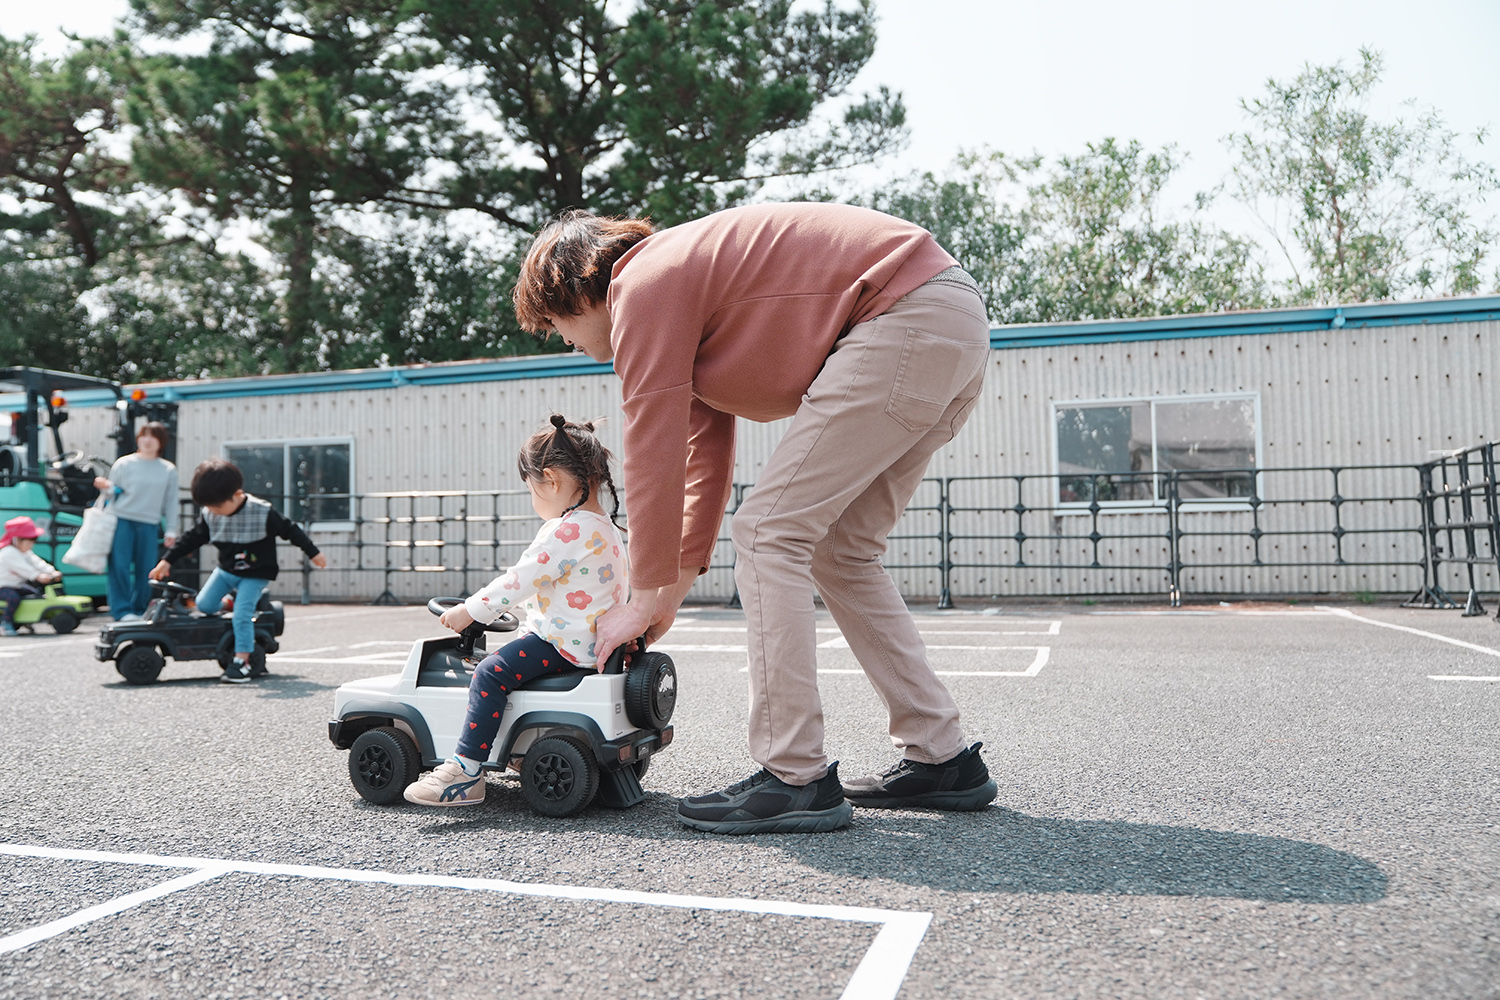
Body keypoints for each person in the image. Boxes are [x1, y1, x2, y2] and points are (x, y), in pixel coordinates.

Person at [513, 202, 999, 835]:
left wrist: (636, 598)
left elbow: (650, 447)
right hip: (948, 319)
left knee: (769, 532)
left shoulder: (641, 286)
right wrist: (667, 597)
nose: (572, 347)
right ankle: (943, 757)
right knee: (841, 551)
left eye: (559, 326)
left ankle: (795, 777)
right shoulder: (686, 289)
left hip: (901, 315)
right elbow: (701, 456)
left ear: (579, 289)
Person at [403, 415, 629, 807]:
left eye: (531, 489)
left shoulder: (566, 530)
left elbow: (519, 580)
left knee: (491, 673)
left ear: (552, 480)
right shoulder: (606, 527)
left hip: (561, 645)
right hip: (591, 646)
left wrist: (470, 611)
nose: (533, 499)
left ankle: (466, 770)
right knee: (508, 665)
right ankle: (518, 750)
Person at [150, 459, 328, 683]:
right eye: (210, 507)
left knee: (242, 616)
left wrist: (313, 552)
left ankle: (241, 661)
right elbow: (190, 539)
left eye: (217, 506)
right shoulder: (211, 514)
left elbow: (291, 530)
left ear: (237, 494)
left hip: (255, 575)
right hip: (226, 571)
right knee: (204, 604)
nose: (214, 512)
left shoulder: (262, 512)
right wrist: (167, 561)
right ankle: (230, 602)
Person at [94, 422, 180, 621]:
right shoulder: (124, 463)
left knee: (147, 568)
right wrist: (104, 486)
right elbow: (113, 493)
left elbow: (171, 501)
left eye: (153, 436)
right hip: (121, 520)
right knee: (119, 567)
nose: (147, 440)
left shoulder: (168, 469)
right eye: (144, 435)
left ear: (161, 441)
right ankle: (122, 611)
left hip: (150, 523)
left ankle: (140, 608)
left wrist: (172, 530)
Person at [0, 516, 62, 636]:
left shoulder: (25, 552)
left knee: (35, 594)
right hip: (3, 586)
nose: (30, 546)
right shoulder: (8, 553)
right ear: (17, 539)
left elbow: (37, 562)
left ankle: (24, 618)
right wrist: (38, 576)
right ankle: (6, 623)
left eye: (32, 543)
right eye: (28, 542)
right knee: (13, 599)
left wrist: (51, 571)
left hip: (17, 585)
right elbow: (24, 569)